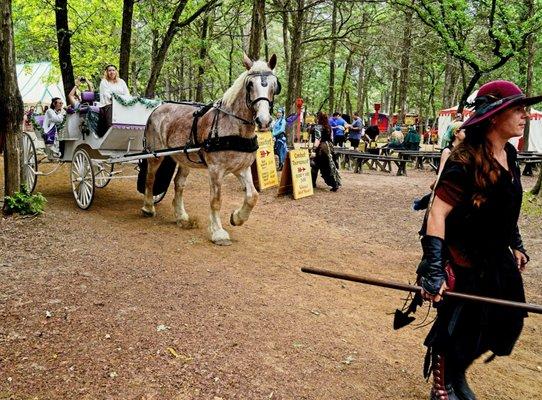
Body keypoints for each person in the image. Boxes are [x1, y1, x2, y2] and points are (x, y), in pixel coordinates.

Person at [417, 80, 535, 400]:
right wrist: (434, 268)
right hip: (462, 255)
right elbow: (437, 213)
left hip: (496, 256)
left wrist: (517, 243)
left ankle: (458, 370)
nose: (525, 115)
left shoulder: (509, 153)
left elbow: (506, 204)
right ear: (496, 116)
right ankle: (444, 382)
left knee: (506, 321)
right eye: (518, 109)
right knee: (460, 323)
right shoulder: (464, 159)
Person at [311, 112, 341, 191]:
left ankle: (334, 184)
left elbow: (318, 139)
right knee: (326, 165)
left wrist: (314, 148)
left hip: (321, 149)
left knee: (318, 165)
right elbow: (331, 138)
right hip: (329, 147)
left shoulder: (318, 127)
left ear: (318, 118)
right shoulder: (328, 126)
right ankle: (313, 183)